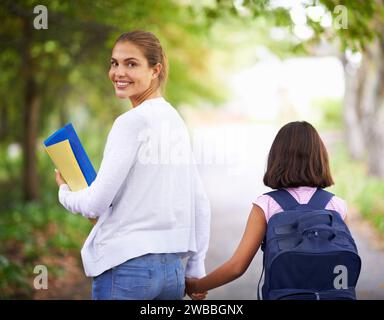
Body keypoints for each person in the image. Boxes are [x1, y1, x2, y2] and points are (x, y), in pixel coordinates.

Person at [54, 30, 210, 300]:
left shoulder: (130, 122)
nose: (118, 72)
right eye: (114, 63)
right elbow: (200, 202)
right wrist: (196, 267)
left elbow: (94, 204)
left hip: (126, 270)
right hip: (171, 272)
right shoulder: (175, 122)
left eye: (131, 64)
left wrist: (65, 192)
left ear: (155, 70)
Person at [185, 121, 349, 299]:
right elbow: (345, 263)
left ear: (277, 158)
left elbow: (237, 267)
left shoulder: (267, 205)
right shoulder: (337, 206)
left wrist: (197, 285)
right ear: (320, 158)